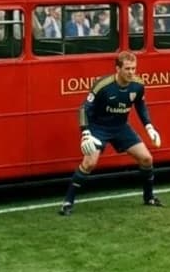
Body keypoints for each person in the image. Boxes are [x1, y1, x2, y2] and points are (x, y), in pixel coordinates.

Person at [58, 50, 163, 216]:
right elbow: (84, 108)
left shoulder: (138, 85)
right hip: (98, 128)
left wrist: (149, 127)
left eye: (134, 68)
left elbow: (141, 106)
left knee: (147, 158)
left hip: (121, 127)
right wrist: (85, 133)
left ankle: (149, 197)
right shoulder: (103, 85)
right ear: (118, 69)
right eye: (127, 69)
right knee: (89, 163)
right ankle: (67, 202)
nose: (131, 72)